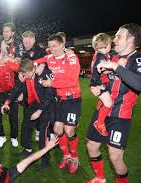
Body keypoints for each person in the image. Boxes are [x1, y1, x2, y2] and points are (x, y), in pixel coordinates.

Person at [86, 23, 141, 183]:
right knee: (91, 146)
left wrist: (115, 67)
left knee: (115, 157)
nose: (115, 39)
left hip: (120, 114)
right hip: (102, 108)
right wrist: (95, 87)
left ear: (131, 39)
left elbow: (138, 84)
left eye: (119, 36)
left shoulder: (137, 59)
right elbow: (97, 77)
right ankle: (100, 178)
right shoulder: (108, 55)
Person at [35, 34, 81, 174]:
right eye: (50, 46)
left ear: (62, 45)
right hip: (60, 100)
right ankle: (66, 156)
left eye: (54, 46)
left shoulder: (71, 58)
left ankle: (74, 158)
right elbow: (36, 61)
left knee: (69, 130)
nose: (51, 49)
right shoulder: (49, 58)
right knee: (57, 130)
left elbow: (72, 81)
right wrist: (29, 67)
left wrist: (51, 84)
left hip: (73, 99)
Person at [1, 59, 57, 170]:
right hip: (34, 104)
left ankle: (45, 159)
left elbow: (50, 95)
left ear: (31, 70)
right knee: (26, 126)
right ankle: (27, 149)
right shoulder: (26, 76)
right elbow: (16, 90)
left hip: (48, 106)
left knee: (43, 134)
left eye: (24, 74)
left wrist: (40, 111)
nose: (22, 76)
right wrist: (6, 103)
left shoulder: (43, 74)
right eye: (21, 73)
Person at [90, 33, 115, 137]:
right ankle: (99, 123)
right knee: (108, 104)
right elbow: (100, 70)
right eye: (110, 44)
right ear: (107, 45)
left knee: (107, 103)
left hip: (99, 83)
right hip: (98, 84)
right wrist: (116, 67)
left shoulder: (100, 54)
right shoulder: (101, 56)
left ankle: (100, 122)